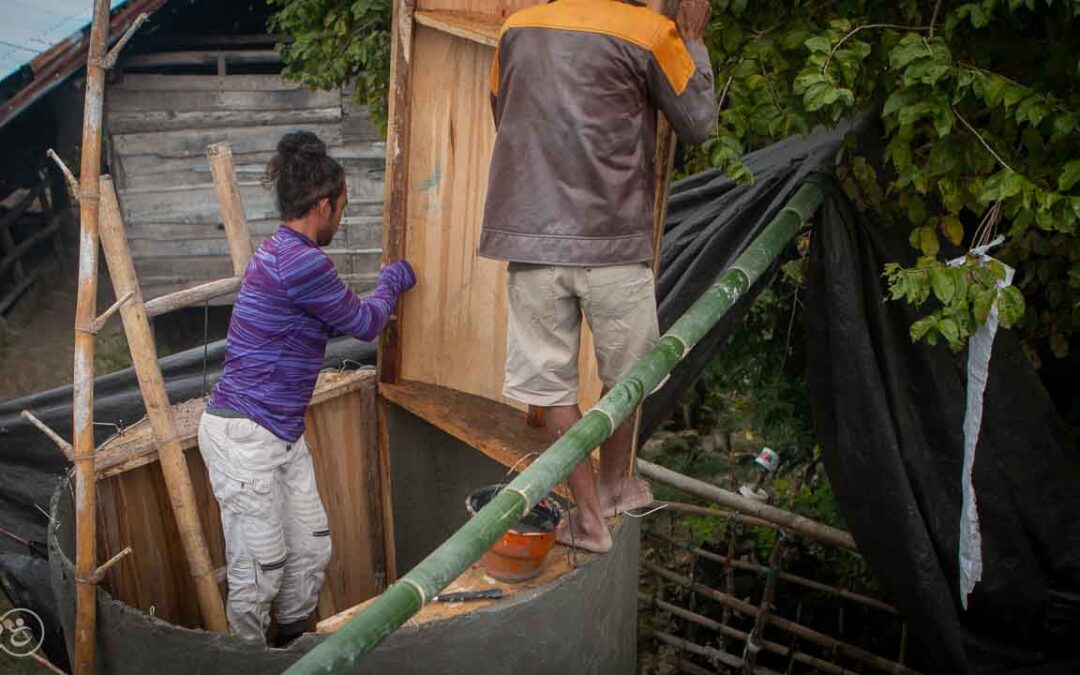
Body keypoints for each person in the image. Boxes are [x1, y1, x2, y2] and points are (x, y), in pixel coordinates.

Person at [479, 0, 716, 553]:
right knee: (628, 374)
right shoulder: (652, 33)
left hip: (530, 237)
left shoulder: (515, 28)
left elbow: (503, 111)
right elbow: (699, 122)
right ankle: (612, 488)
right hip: (613, 241)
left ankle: (586, 519)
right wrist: (694, 40)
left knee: (550, 386)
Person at [197, 131, 415, 644]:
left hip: (279, 433)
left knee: (311, 549)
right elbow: (364, 322)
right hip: (246, 435)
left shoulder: (281, 252)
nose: (342, 216)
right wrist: (395, 279)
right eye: (342, 206)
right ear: (323, 205)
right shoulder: (301, 263)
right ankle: (247, 661)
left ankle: (294, 646)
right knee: (261, 568)